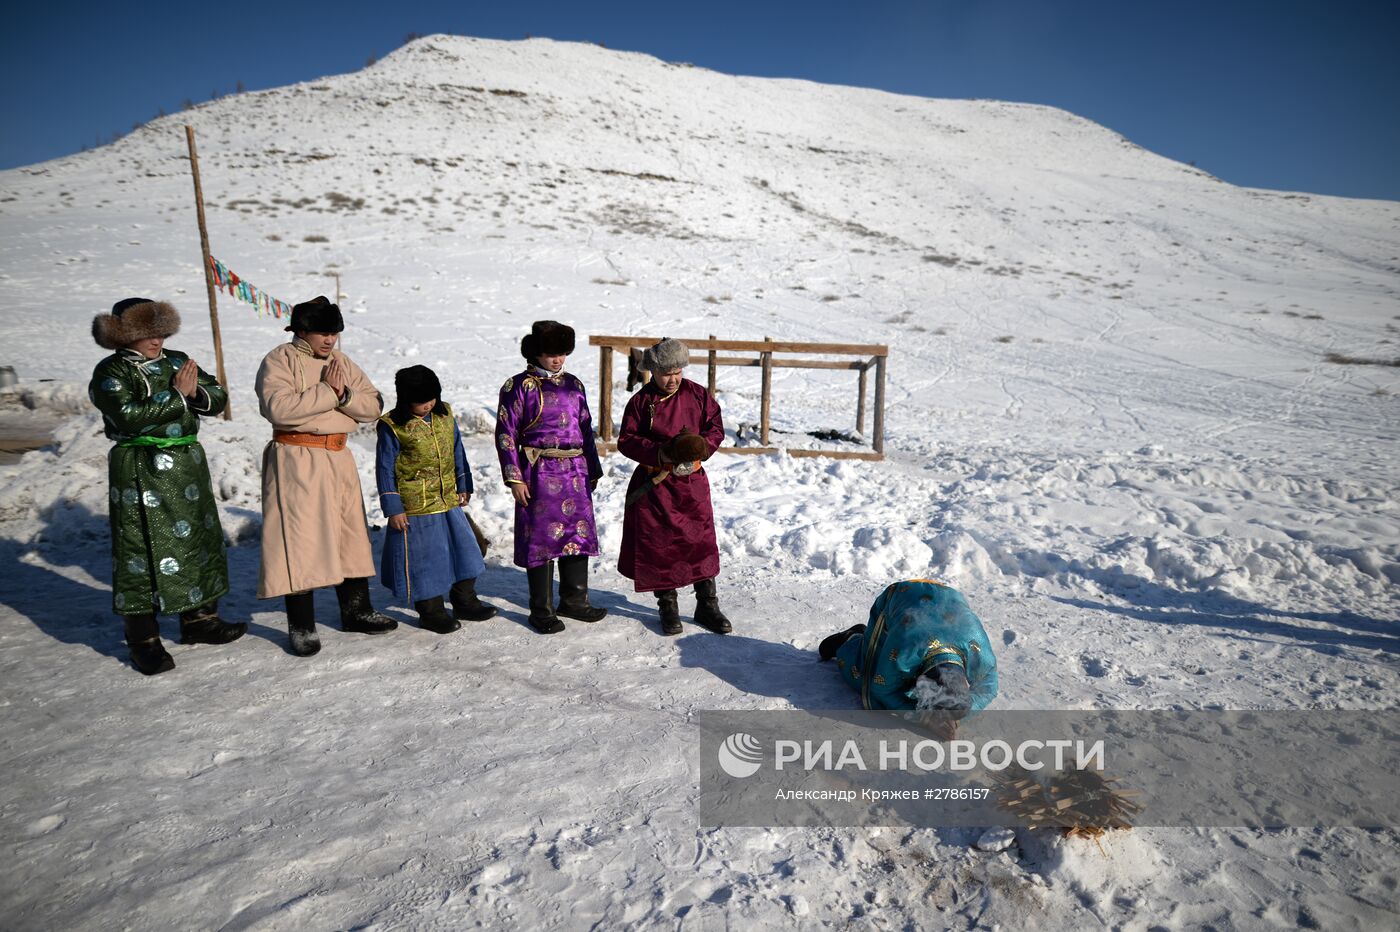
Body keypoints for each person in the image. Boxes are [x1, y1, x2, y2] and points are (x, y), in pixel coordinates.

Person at [89, 297, 245, 675]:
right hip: (139, 470)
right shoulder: (110, 372)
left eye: (160, 332)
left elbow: (218, 396)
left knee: (198, 541)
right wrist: (177, 395)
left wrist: (194, 393)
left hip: (186, 468)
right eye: (147, 334)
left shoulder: (178, 360)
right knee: (139, 549)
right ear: (124, 335)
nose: (156, 340)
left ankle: (200, 621)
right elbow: (127, 418)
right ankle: (143, 640)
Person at [255, 296, 396, 656]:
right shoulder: (279, 360)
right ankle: (302, 626)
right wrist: (327, 392)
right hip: (298, 457)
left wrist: (345, 393)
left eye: (334, 333)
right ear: (301, 331)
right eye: (323, 333)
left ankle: (357, 610)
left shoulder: (341, 362)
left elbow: (373, 405)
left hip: (337, 455)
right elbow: (279, 409)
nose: (330, 340)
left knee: (349, 533)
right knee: (300, 538)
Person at [495, 320, 606, 633]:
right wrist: (515, 477)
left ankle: (574, 601)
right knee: (541, 540)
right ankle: (540, 609)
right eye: (550, 353)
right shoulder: (518, 386)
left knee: (577, 534)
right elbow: (505, 433)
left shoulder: (574, 385)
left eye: (562, 353)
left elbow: (586, 428)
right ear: (536, 352)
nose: (557, 359)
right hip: (539, 471)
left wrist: (592, 469)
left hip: (575, 471)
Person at [616, 338, 729, 635]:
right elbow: (626, 440)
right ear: (652, 371)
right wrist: (661, 453)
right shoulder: (641, 402)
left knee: (700, 543)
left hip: (692, 485)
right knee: (660, 546)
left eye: (677, 371)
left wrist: (700, 447)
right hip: (657, 486)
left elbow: (715, 428)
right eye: (666, 373)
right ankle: (668, 607)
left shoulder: (698, 395)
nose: (673, 378)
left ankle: (708, 606)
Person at [377, 365, 496, 632]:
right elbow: (384, 468)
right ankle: (430, 611)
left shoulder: (445, 415)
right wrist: (394, 508)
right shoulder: (393, 427)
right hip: (416, 506)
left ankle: (464, 599)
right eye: (421, 402)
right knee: (427, 561)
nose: (428, 405)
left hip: (448, 499)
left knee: (467, 550)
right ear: (405, 399)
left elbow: (457, 449)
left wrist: (464, 483)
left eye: (432, 398)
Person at [819, 579, 998, 716]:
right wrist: (923, 719)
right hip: (901, 595)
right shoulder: (905, 651)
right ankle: (851, 638)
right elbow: (881, 689)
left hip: (948, 596)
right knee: (866, 681)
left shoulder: (981, 655)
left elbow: (989, 690)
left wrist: (957, 718)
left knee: (897, 680)